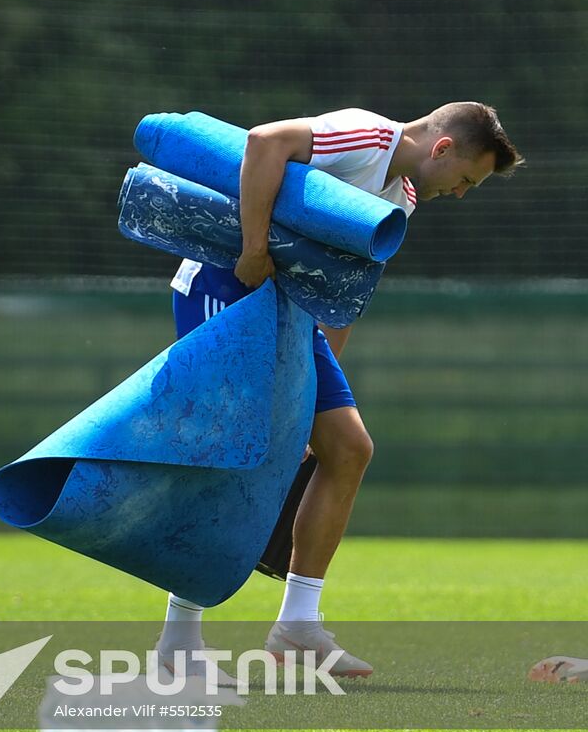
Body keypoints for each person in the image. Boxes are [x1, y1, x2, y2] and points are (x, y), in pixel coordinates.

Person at [160, 103, 523, 679]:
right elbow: (264, 142)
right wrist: (254, 248)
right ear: (443, 149)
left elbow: (345, 290)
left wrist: (311, 401)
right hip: (225, 285)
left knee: (347, 448)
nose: (459, 194)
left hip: (295, 314)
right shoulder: (366, 134)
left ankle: (297, 627)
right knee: (232, 456)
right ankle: (178, 644)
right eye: (465, 181)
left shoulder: (399, 199)